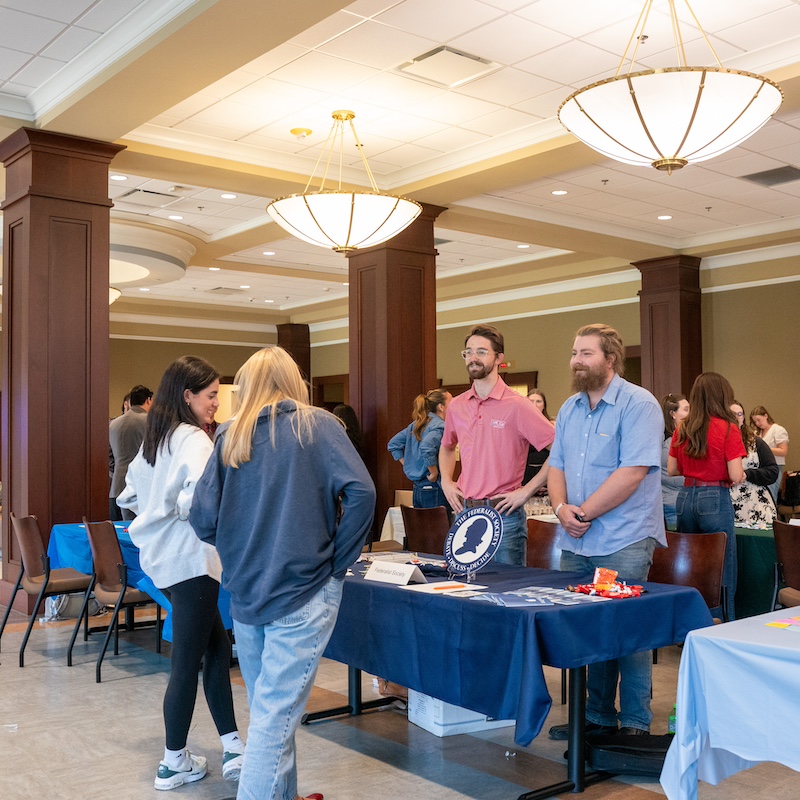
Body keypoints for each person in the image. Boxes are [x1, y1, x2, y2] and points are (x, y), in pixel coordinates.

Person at [190, 347, 375, 800]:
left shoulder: (230, 435)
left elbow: (202, 519)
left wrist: (241, 548)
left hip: (248, 594)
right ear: (294, 381)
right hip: (304, 590)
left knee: (271, 712)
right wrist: (337, 561)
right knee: (275, 718)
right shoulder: (318, 426)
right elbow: (363, 493)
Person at [117, 357, 244, 791]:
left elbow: (128, 493)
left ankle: (232, 747)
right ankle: (172, 763)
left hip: (166, 563)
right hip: (191, 563)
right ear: (188, 396)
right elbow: (198, 502)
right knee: (187, 664)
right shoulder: (194, 440)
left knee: (215, 648)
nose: (216, 403)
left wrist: (158, 512)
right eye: (211, 396)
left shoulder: (158, 438)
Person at [548, 323, 666, 740]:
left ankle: (634, 722)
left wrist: (582, 514)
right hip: (577, 537)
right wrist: (562, 509)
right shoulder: (568, 408)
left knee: (626, 629)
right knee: (586, 628)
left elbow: (633, 471)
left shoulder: (639, 404)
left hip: (624, 537)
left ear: (610, 359)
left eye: (586, 353)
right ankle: (596, 716)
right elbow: (555, 465)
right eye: (574, 353)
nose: (576, 361)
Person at [439, 324, 555, 566]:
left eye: (481, 352)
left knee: (506, 595)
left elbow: (560, 449)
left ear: (499, 358)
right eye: (468, 352)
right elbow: (448, 446)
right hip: (464, 512)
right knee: (465, 592)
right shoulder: (457, 406)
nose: (473, 358)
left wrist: (527, 490)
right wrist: (446, 481)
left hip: (504, 515)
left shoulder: (519, 405)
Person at [669, 373, 746, 620]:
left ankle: (688, 623)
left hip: (685, 496)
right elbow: (735, 474)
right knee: (722, 566)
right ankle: (721, 622)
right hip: (714, 496)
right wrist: (739, 475)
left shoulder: (683, 428)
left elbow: (672, 469)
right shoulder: (728, 428)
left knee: (689, 565)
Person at [388, 389, 452, 509]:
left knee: (422, 526)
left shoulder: (416, 424)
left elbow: (393, 444)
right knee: (438, 526)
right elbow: (427, 447)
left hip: (417, 487)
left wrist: (408, 464)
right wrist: (433, 471)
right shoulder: (440, 426)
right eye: (451, 403)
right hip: (433, 486)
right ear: (441, 407)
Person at [730, 400, 778, 528]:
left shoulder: (755, 442)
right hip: (727, 503)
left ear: (743, 417)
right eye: (731, 414)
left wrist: (747, 474)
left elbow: (772, 472)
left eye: (739, 414)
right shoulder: (715, 442)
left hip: (756, 503)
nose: (736, 418)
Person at [109, 384, 153, 520]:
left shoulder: (113, 424)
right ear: (148, 400)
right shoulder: (148, 421)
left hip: (116, 485)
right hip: (137, 487)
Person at [660, 393, 689, 528]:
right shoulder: (670, 442)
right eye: (686, 409)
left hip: (672, 503)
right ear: (673, 414)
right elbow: (669, 475)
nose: (690, 414)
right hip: (674, 505)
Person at [750, 405, 789, 503]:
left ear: (766, 416)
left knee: (771, 495)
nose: (757, 423)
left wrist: (765, 449)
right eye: (755, 421)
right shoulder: (758, 433)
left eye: (759, 420)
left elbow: (783, 451)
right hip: (760, 468)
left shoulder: (778, 430)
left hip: (774, 466)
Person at [523, 390, 555, 486]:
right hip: (526, 472)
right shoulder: (521, 425)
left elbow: (559, 452)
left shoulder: (553, 425)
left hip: (547, 471)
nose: (535, 405)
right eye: (531, 401)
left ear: (544, 405)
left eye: (538, 401)